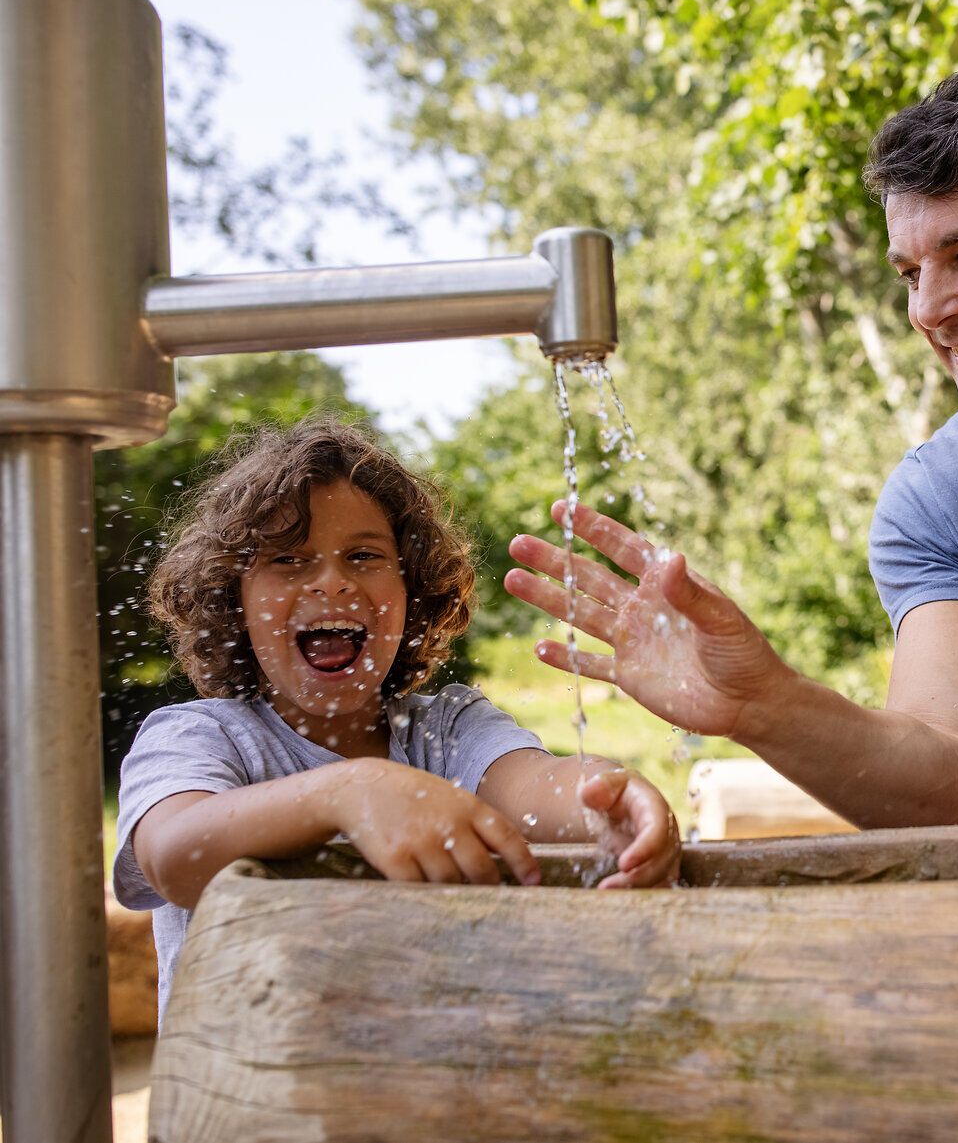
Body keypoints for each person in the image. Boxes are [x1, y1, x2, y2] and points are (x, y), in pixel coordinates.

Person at [505, 64, 958, 826]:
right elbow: (957, 770)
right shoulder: (938, 500)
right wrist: (765, 706)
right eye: (911, 273)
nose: (931, 308)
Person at [114, 417, 680, 1019]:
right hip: (247, 1104)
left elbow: (534, 786)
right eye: (288, 560)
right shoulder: (201, 737)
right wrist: (349, 790)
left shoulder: (448, 731)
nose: (332, 581)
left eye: (363, 555)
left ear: (411, 591)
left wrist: (608, 800)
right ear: (236, 601)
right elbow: (174, 855)